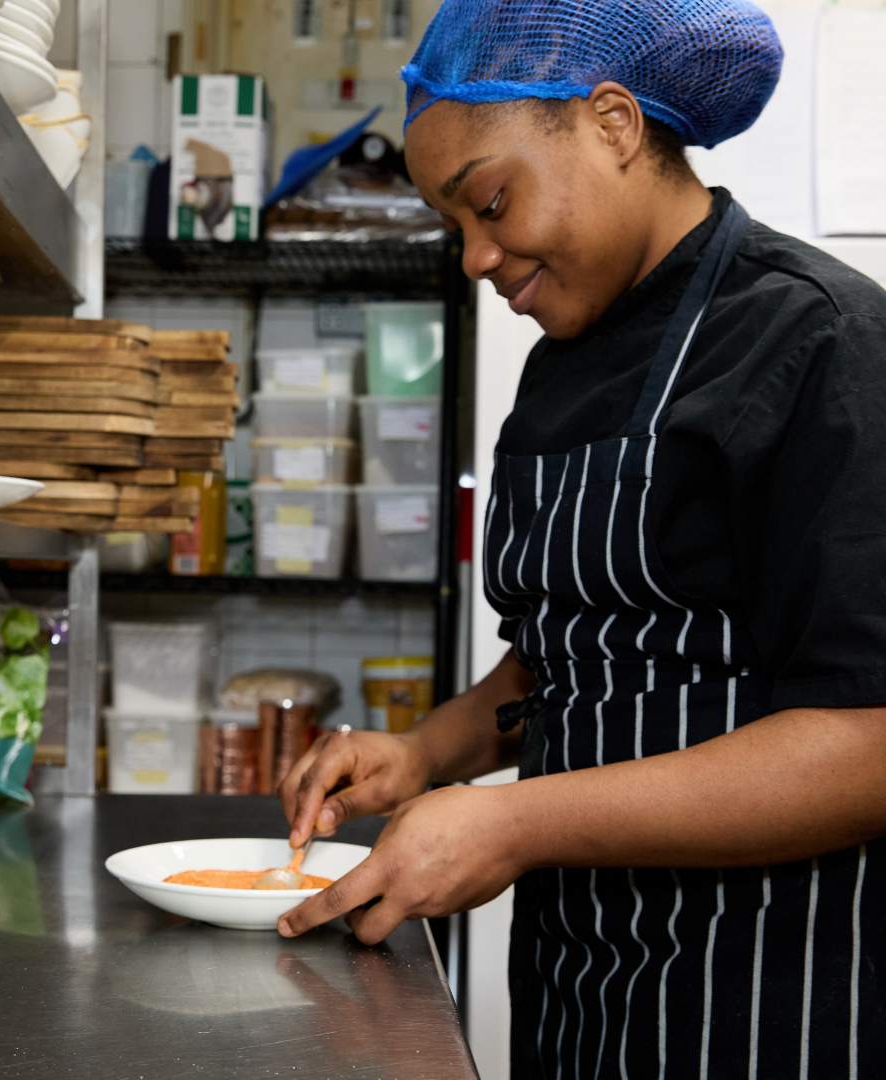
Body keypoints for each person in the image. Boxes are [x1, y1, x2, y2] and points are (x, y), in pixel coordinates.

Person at [274, 0, 886, 1076]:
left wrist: (512, 826)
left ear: (611, 123)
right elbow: (580, 659)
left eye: (491, 202)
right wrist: (428, 753)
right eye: (454, 227)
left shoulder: (823, 343)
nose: (475, 257)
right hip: (585, 990)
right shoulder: (568, 358)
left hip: (767, 1004)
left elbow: (866, 744)